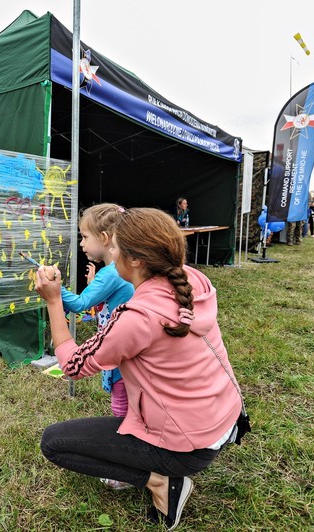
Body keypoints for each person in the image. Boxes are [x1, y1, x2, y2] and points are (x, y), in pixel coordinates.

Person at [36, 208, 243, 530]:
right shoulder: (193, 279)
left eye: (114, 248)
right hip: (222, 421)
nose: (111, 253)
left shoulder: (138, 317)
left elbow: (73, 365)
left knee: (54, 442)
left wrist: (53, 302)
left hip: (186, 447)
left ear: (134, 259)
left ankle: (160, 481)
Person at [59, 203, 135, 489]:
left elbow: (79, 305)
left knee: (121, 410)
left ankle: (127, 466)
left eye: (84, 237)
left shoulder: (110, 273)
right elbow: (101, 306)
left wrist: (55, 288)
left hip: (119, 356)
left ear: (104, 238)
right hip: (127, 351)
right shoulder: (115, 271)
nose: (81, 244)